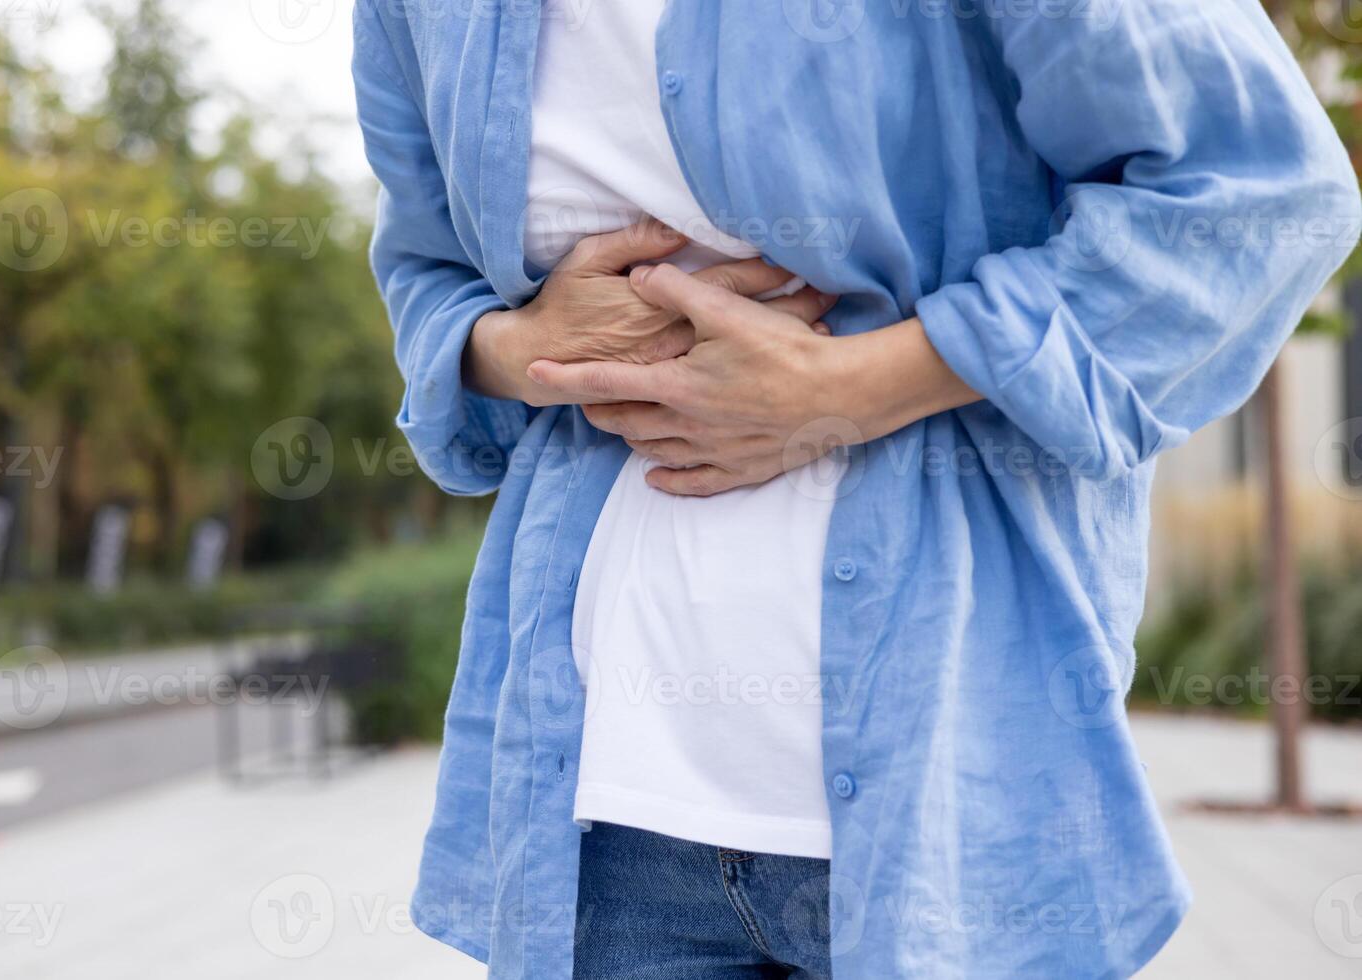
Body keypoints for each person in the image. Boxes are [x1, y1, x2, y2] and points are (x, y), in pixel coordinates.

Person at [351, 1, 1359, 977]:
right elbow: (428, 272)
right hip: (600, 826)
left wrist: (850, 388)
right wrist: (517, 348)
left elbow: (1258, 195)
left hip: (949, 806)